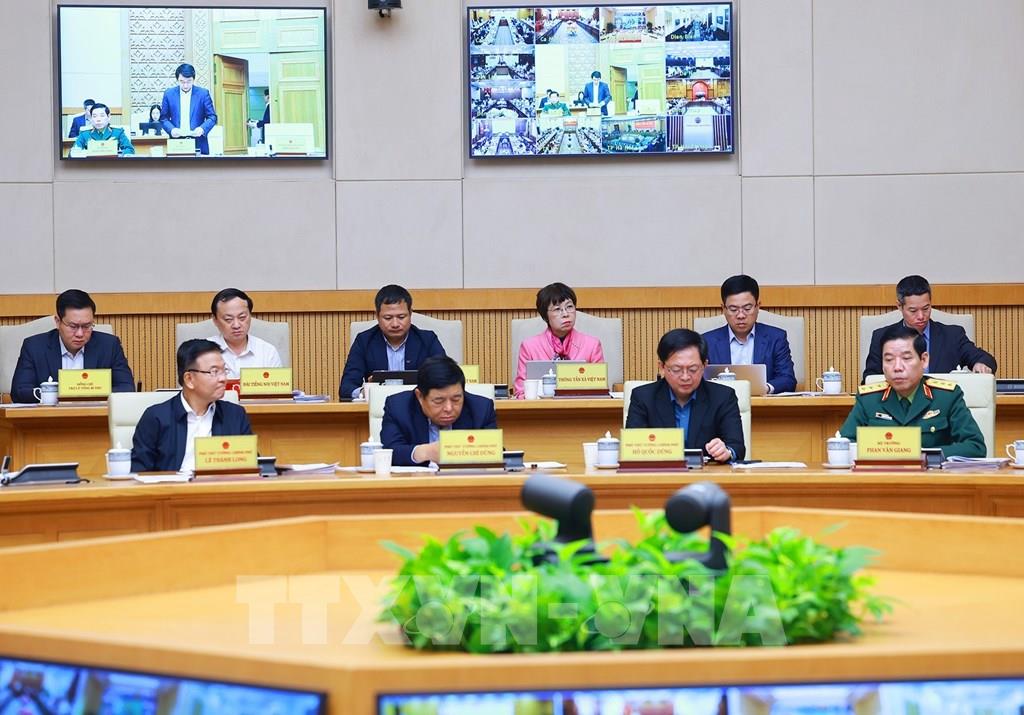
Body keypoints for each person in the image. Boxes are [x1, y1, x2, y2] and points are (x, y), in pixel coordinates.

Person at [841, 324, 985, 457]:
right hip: (883, 475)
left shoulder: (946, 397)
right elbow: (843, 444)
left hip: (932, 475)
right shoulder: (868, 399)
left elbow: (975, 446)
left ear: (924, 360)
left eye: (906, 358)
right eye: (889, 360)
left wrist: (919, 455)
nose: (897, 367)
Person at [131, 339, 253, 473]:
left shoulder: (235, 415)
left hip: (220, 485)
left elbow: (251, 467)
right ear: (189, 379)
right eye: (214, 372)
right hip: (172, 486)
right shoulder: (156, 418)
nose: (223, 379)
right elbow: (139, 472)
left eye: (224, 370)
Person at [625, 328, 745, 462]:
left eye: (693, 369)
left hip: (707, 473)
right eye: (676, 369)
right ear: (662, 367)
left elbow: (737, 447)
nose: (685, 377)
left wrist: (726, 451)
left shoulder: (723, 396)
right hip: (660, 472)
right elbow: (633, 448)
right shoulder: (643, 397)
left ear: (704, 366)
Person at [10, 289, 135, 403]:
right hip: (50, 418)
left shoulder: (109, 345)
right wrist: (60, 394)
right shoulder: (34, 347)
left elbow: (127, 387)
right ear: (58, 322)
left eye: (87, 326)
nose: (80, 334)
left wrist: (87, 392)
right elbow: (19, 392)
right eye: (73, 326)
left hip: (95, 417)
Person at [863, 275, 996, 381]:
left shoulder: (953, 335)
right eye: (913, 311)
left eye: (926, 308)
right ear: (899, 306)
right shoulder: (882, 337)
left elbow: (985, 359)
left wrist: (981, 364)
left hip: (942, 403)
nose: (921, 316)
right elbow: (869, 379)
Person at [380, 356, 498, 467]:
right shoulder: (398, 408)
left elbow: (495, 453)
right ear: (419, 396)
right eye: (439, 401)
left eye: (456, 399)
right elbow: (389, 452)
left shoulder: (481, 409)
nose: (449, 408)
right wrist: (425, 452)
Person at [339, 285, 446, 399]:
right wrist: (364, 392)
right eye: (388, 318)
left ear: (410, 314)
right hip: (378, 405)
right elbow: (346, 387)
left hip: (418, 405)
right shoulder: (364, 341)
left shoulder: (428, 340)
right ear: (377, 316)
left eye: (401, 317)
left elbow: (445, 378)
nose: (395, 324)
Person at [702, 274, 797, 394]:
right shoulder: (707, 341)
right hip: (721, 404)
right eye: (733, 309)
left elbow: (788, 379)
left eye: (747, 308)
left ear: (758, 306)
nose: (741, 315)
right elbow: (699, 381)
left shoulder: (776, 338)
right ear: (723, 309)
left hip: (763, 403)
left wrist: (765, 388)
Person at [514, 282, 604, 398]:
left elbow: (600, 391)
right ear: (545, 316)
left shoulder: (592, 345)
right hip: (541, 408)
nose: (565, 314)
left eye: (569, 307)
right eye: (557, 309)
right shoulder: (529, 347)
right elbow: (521, 392)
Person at [206, 288, 282, 378]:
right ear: (215, 320)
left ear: (250, 316)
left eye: (242, 317)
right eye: (228, 319)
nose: (236, 325)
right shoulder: (202, 352)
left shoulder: (267, 352)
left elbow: (278, 386)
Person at [160, 63, 218, 155]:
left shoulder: (203, 94)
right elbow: (163, 118)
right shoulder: (169, 94)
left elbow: (212, 117)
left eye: (189, 81)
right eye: (182, 82)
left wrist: (202, 129)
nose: (185, 85)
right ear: (177, 80)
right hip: (176, 143)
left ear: (193, 79)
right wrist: (172, 130)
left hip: (198, 143)